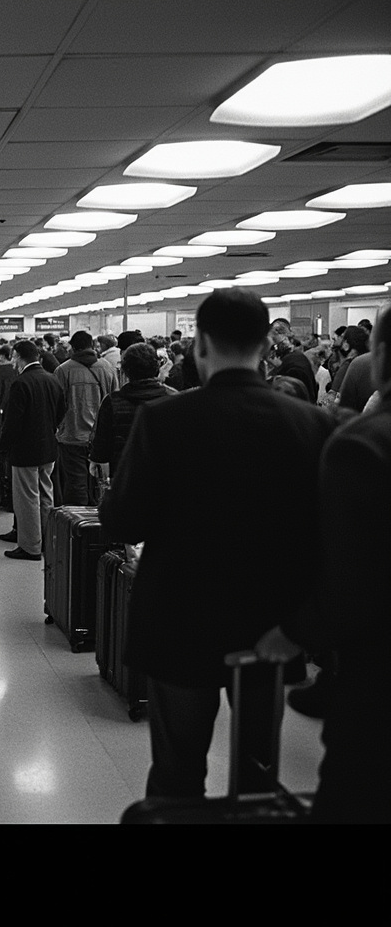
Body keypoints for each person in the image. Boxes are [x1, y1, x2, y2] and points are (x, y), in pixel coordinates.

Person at [98, 288, 336, 800]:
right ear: (265, 345)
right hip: (270, 629)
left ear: (199, 344)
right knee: (256, 775)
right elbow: (331, 541)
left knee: (177, 771)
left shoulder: (164, 421)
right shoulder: (314, 425)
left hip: (181, 621)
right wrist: (299, 628)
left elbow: (123, 520)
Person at [256, 304, 391, 823]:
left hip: (378, 684)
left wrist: (290, 633)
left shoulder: (364, 445)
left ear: (379, 357)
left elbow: (351, 576)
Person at [0, 339, 65, 561]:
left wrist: (2, 447)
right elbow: (62, 411)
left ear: (18, 356)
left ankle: (29, 547)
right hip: (48, 448)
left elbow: (12, 422)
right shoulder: (53, 379)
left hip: (26, 451)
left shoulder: (21, 383)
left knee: (27, 500)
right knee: (46, 496)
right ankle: (47, 541)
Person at [88, 343, 177, 479]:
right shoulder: (174, 399)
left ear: (125, 370)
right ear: (157, 367)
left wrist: (98, 461)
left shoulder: (113, 401)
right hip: (165, 473)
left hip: (124, 474)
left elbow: (102, 443)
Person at [54, 330, 118, 505]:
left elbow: (58, 405)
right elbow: (115, 401)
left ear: (73, 348)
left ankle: (78, 527)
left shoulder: (63, 370)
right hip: (101, 437)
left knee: (76, 484)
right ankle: (97, 524)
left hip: (72, 436)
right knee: (100, 484)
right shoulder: (107, 368)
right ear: (93, 346)